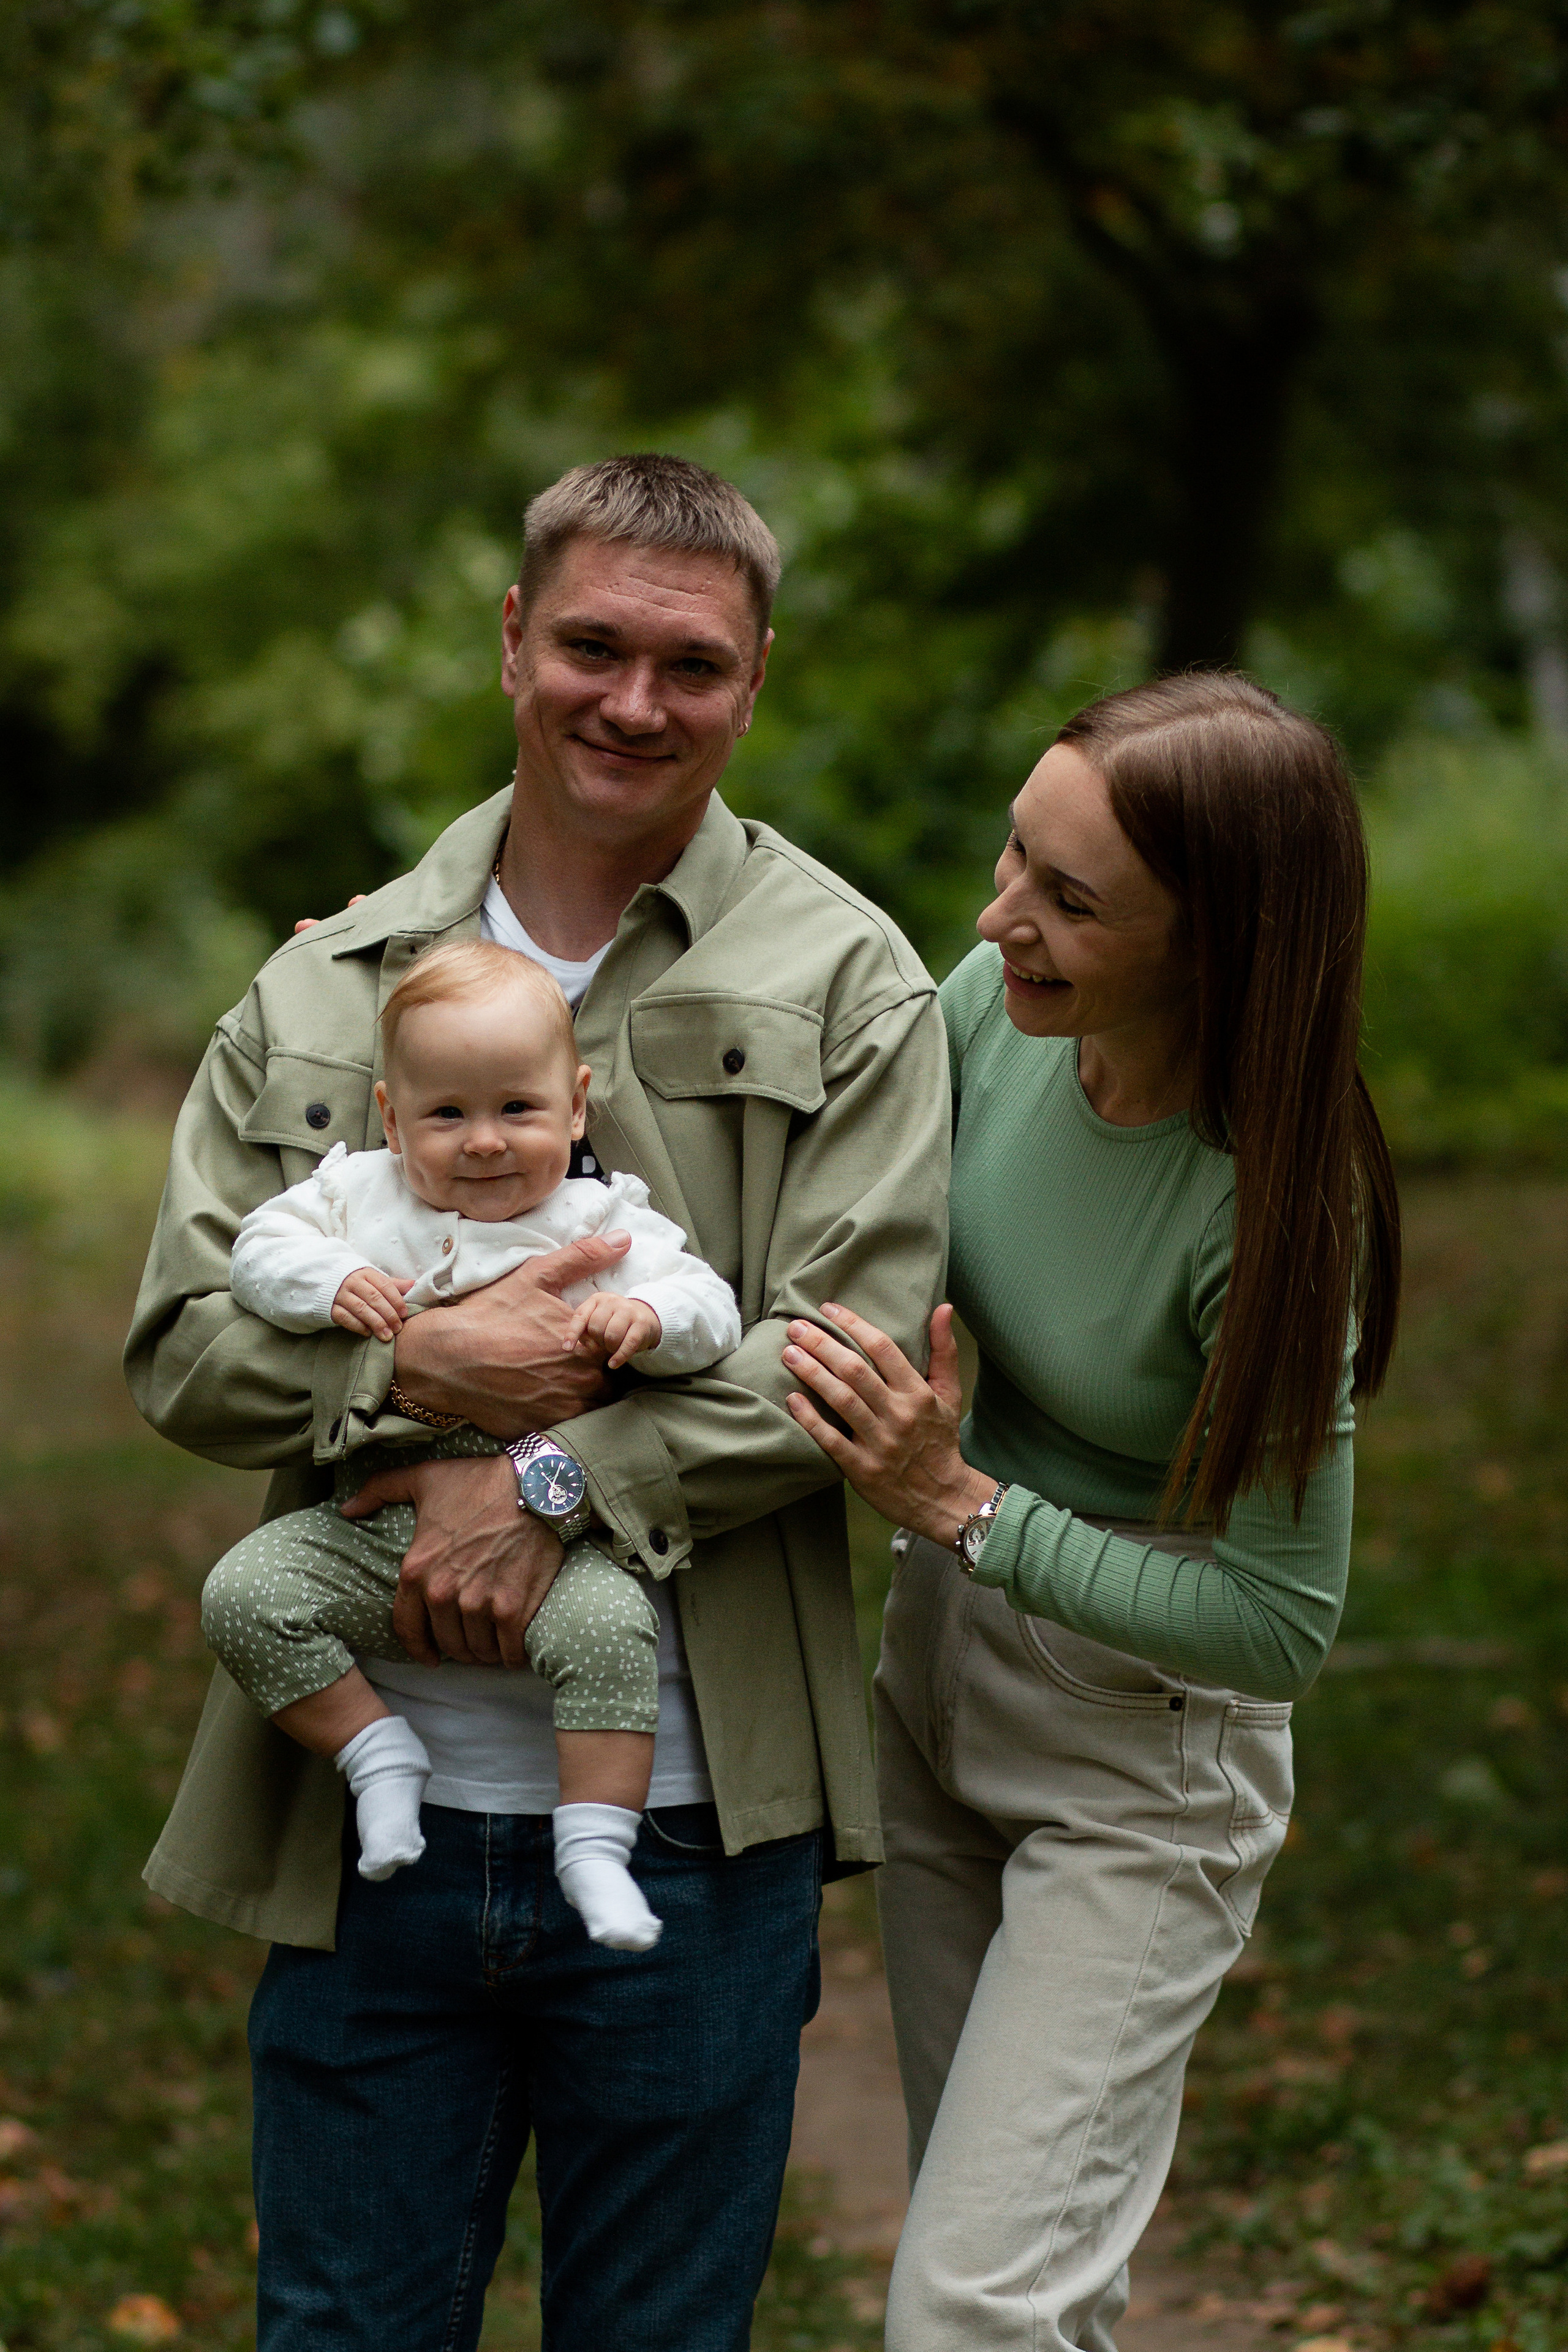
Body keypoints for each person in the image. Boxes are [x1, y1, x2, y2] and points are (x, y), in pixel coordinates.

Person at [124, 453, 950, 2352]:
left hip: (687, 1820)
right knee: (343, 2330)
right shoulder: (327, 983)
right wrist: (403, 1366)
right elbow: (179, 1336)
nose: (633, 702)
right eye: (591, 644)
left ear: (757, 681)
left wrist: (553, 1480)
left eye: (693, 664)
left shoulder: (851, 982)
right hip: (368, 1828)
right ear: (514, 640)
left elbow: (841, 1353)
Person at [780, 673, 1401, 2352]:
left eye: (1068, 900)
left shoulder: (1271, 1207)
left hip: (1143, 1761)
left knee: (974, 2309)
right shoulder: (996, 1008)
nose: (998, 921)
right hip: (943, 1684)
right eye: (1012, 860)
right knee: (1019, 2282)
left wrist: (961, 1500)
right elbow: (794, 1115)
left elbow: (1283, 1624)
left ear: (1221, 943)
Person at [203, 939, 742, 1951]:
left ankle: (597, 1850)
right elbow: (256, 1250)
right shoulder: (357, 1197)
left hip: (560, 1540)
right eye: (447, 1114)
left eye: (518, 1110)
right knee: (244, 1596)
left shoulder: (603, 1218)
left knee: (613, 1641)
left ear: (575, 1106)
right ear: (391, 1117)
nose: (485, 1142)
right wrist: (325, 1284)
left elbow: (709, 1304)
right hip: (373, 1527)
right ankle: (377, 1755)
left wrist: (653, 1323)